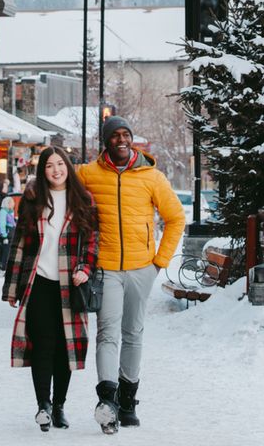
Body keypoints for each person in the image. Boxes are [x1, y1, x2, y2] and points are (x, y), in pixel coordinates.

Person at [78, 116, 185, 434]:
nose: (121, 140)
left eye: (126, 135)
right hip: (106, 268)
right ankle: (107, 402)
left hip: (142, 268)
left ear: (132, 140)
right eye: (115, 135)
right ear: (106, 141)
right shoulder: (87, 174)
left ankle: (128, 402)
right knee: (107, 333)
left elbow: (175, 218)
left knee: (133, 333)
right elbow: (57, 185)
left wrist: (158, 262)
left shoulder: (152, 177)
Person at [3, 146, 99, 433]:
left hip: (70, 283)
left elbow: (93, 241)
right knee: (42, 345)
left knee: (63, 348)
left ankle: (59, 406)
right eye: (49, 166)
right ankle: (42, 406)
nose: (56, 170)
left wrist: (85, 268)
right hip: (39, 282)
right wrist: (12, 287)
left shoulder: (83, 199)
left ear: (68, 167)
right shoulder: (33, 200)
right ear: (42, 171)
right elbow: (19, 244)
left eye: (60, 164)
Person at [0, 195, 16, 271]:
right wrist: (4, 236)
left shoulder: (9, 211)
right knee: (6, 252)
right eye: (12, 203)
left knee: (9, 251)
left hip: (10, 235)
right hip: (6, 235)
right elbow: (1, 224)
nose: (13, 204)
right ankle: (5, 267)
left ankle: (8, 266)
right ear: (7, 204)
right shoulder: (3, 212)